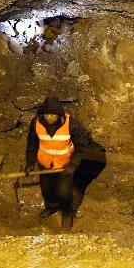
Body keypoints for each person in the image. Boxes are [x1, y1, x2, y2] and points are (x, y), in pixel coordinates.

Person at [24, 95, 92, 230]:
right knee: (47, 190)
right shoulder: (36, 123)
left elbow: (83, 147)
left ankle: (67, 215)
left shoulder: (72, 124)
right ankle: (51, 208)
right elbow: (32, 143)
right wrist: (30, 162)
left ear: (59, 115)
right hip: (44, 164)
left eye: (53, 115)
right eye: (46, 115)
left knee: (64, 192)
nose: (49, 118)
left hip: (64, 165)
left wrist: (72, 165)